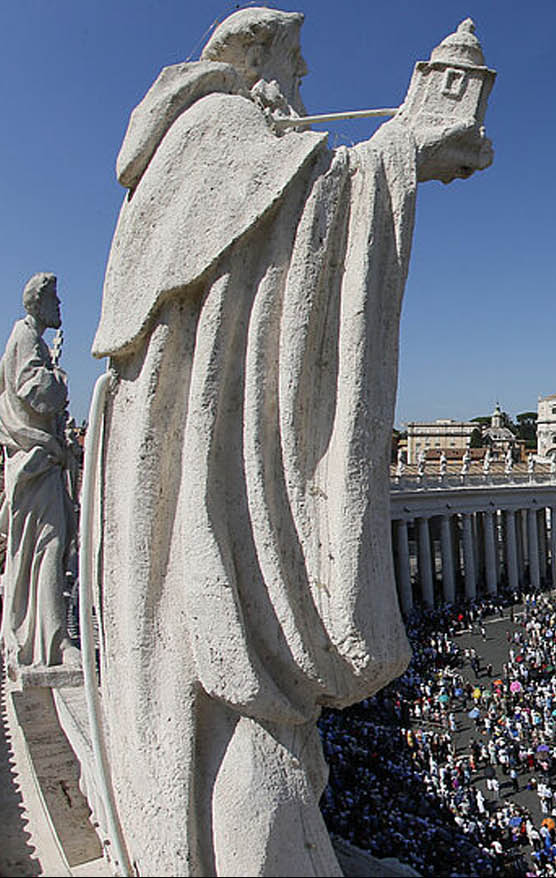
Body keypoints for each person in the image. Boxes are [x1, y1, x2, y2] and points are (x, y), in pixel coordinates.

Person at [87, 8, 491, 875]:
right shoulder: (218, 125)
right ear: (255, 53)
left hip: (206, 444)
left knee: (252, 698)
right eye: (299, 64)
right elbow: (295, 228)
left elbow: (289, 217)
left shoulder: (219, 141)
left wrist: (396, 154)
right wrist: (402, 149)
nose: (306, 83)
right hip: (207, 461)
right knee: (242, 687)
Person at [0, 272, 78, 679]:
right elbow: (36, 391)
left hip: (40, 464)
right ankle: (52, 643)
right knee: (48, 544)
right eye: (57, 300)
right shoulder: (26, 337)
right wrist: (60, 379)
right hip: (37, 464)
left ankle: (41, 638)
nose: (61, 307)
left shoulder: (31, 340)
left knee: (46, 545)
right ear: (40, 303)